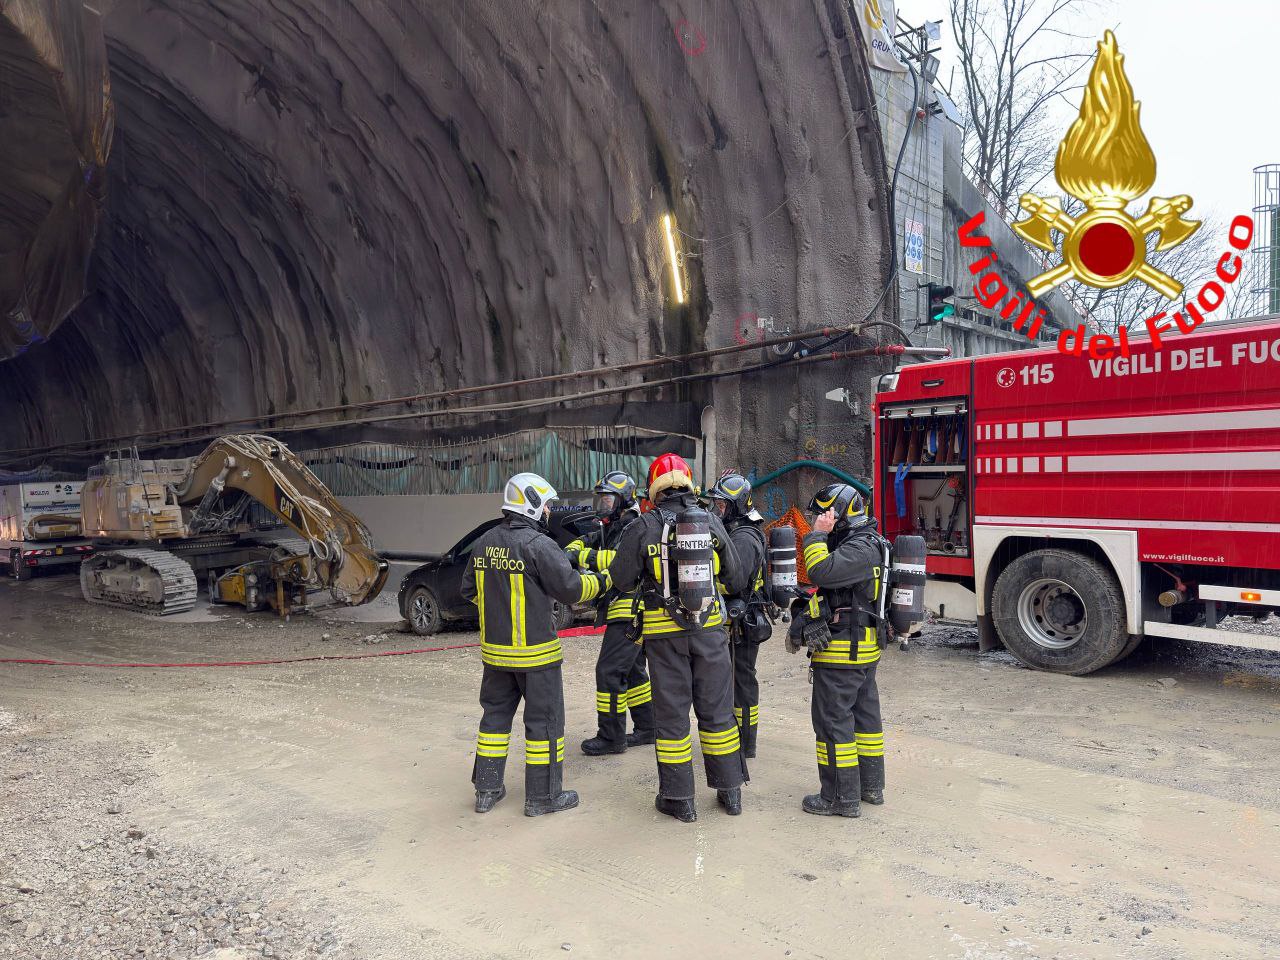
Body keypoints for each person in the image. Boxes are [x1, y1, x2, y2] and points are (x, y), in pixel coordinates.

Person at [607, 453, 747, 822]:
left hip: (663, 636)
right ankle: (730, 793)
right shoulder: (711, 521)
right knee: (717, 711)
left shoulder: (642, 526)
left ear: (654, 488)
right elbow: (735, 578)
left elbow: (621, 580)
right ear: (689, 483)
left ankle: (679, 799)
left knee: (672, 719)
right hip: (710, 631)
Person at [461, 472, 607, 817]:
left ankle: (486, 791)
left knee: (494, 721)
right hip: (537, 656)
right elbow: (570, 589)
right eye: (546, 505)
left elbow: (469, 591)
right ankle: (542, 798)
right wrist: (601, 582)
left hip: (495, 657)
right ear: (532, 504)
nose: (548, 511)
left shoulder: (484, 542)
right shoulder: (539, 545)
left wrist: (500, 612)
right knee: (544, 726)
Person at [789, 482, 887, 818]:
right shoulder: (866, 543)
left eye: (823, 514)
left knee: (833, 724)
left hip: (844, 651)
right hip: (860, 650)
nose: (818, 519)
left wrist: (816, 535)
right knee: (864, 720)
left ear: (839, 514)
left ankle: (839, 798)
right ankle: (869, 787)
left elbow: (820, 572)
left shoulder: (859, 549)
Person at [564, 471, 655, 755]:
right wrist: (573, 548)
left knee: (609, 672)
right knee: (634, 671)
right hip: (624, 606)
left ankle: (611, 737)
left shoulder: (633, 526)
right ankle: (648, 727)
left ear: (623, 499)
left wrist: (581, 557)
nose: (602, 505)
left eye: (607, 500)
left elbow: (618, 562)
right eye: (600, 499)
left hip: (630, 608)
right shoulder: (613, 525)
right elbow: (588, 539)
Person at [706, 473, 771, 759]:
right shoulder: (733, 530)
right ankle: (737, 738)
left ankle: (746, 743)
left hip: (744, 621)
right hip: (735, 620)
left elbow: (736, 581)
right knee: (732, 680)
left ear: (736, 506)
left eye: (721, 506)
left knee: (743, 681)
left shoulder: (745, 536)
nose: (717, 510)